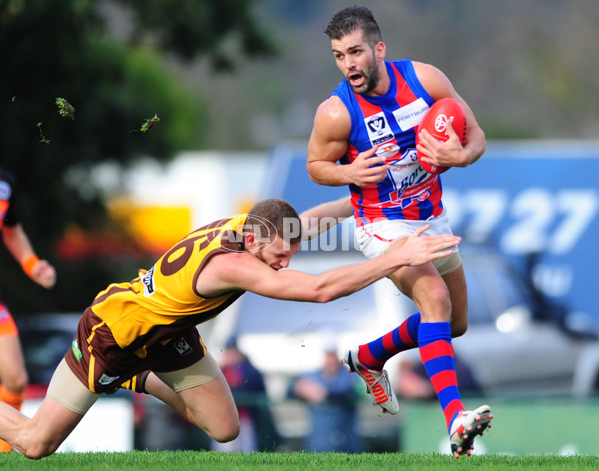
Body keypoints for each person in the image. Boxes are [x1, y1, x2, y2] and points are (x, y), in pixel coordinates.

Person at [0, 196, 460, 459]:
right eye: (279, 255)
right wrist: (394, 258)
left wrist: (358, 193)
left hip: (169, 335)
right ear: (258, 241)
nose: (284, 263)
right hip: (113, 332)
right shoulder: (233, 265)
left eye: (289, 254)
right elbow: (320, 290)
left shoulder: (256, 226)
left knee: (224, 429)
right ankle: (130, 372)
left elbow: (304, 226)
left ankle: (140, 378)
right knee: (36, 444)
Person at [306, 6, 492, 458]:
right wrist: (349, 171)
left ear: (379, 48)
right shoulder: (336, 113)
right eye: (338, 55)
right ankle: (456, 423)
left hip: (431, 216)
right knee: (436, 301)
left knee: (455, 324)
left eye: (355, 51)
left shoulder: (426, 81)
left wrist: (459, 156)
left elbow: (477, 137)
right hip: (381, 225)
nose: (348, 64)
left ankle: (369, 356)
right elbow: (315, 166)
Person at [0, 167, 56, 453]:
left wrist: (33, 265)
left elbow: (12, 231)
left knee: (15, 379)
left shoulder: (6, 181)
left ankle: (3, 454)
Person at [291, 342, 363, 453]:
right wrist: (299, 387)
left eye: (333, 354)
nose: (331, 359)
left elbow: (359, 392)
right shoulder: (312, 375)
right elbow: (290, 390)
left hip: (346, 442)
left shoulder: (350, 375)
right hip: (318, 443)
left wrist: (326, 393)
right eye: (328, 355)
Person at [212, 337, 280, 452]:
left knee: (247, 448)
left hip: (245, 417)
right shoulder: (222, 369)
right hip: (223, 416)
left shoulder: (247, 368)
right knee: (225, 449)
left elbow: (249, 385)